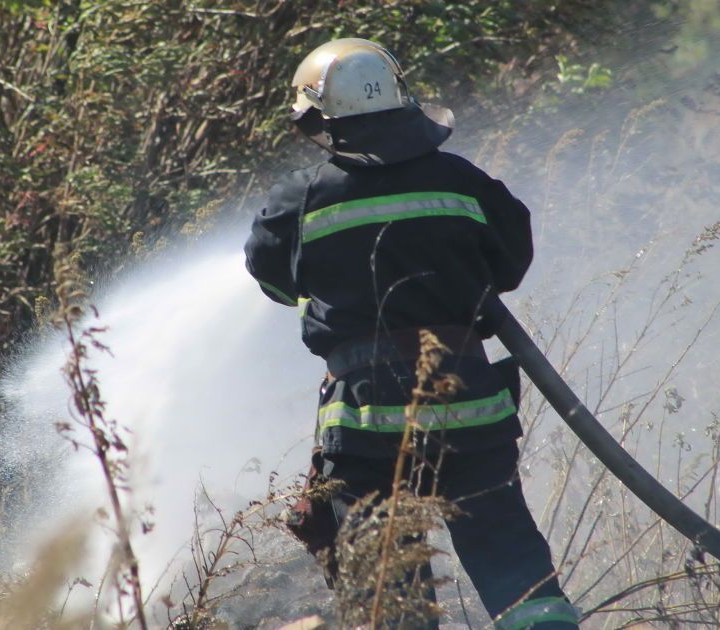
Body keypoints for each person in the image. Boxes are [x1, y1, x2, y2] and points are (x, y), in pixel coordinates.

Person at [244, 38, 579, 629]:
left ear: (320, 120)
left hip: (368, 422)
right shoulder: (462, 182)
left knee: (388, 589)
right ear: (402, 104)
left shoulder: (299, 200)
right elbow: (510, 266)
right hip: (470, 404)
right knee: (511, 559)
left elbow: (273, 280)